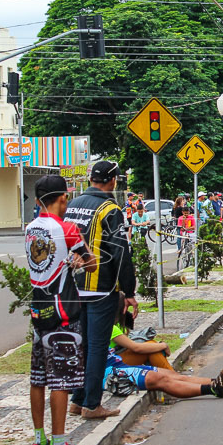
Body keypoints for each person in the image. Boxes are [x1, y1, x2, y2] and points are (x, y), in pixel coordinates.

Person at [26, 174, 97, 445]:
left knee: (38, 377)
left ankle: (39, 439)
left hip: (38, 308)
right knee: (61, 379)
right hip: (63, 310)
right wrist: (80, 258)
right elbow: (91, 263)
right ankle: (58, 444)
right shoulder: (67, 229)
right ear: (62, 198)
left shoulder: (31, 228)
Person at [64, 160, 137, 420]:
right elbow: (121, 251)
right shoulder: (109, 209)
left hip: (73, 287)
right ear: (113, 180)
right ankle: (92, 405)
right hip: (100, 288)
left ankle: (77, 398)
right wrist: (129, 291)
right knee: (97, 346)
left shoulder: (71, 205)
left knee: (81, 344)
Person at [104, 351, 223, 400]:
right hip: (108, 371)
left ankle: (220, 382)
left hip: (119, 364)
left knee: (172, 375)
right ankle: (212, 389)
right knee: (159, 379)